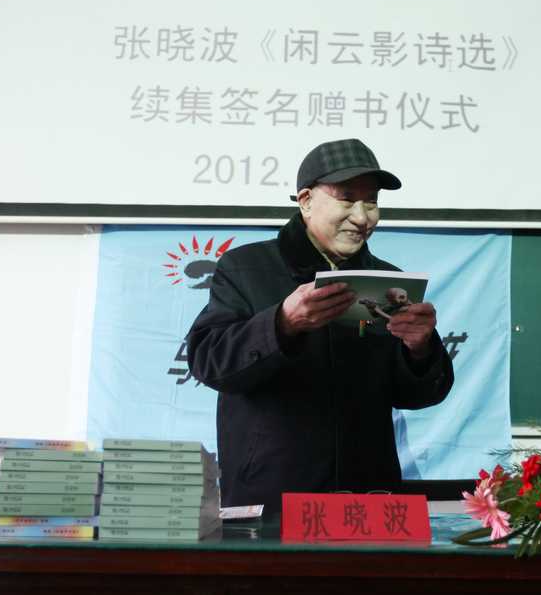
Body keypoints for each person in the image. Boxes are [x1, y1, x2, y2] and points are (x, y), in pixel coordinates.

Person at [187, 138, 454, 515]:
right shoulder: (245, 268)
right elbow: (209, 363)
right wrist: (282, 323)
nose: (362, 217)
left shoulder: (389, 282)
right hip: (271, 498)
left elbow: (416, 395)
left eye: (371, 201)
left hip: (367, 500)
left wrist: (420, 350)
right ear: (306, 201)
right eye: (347, 198)